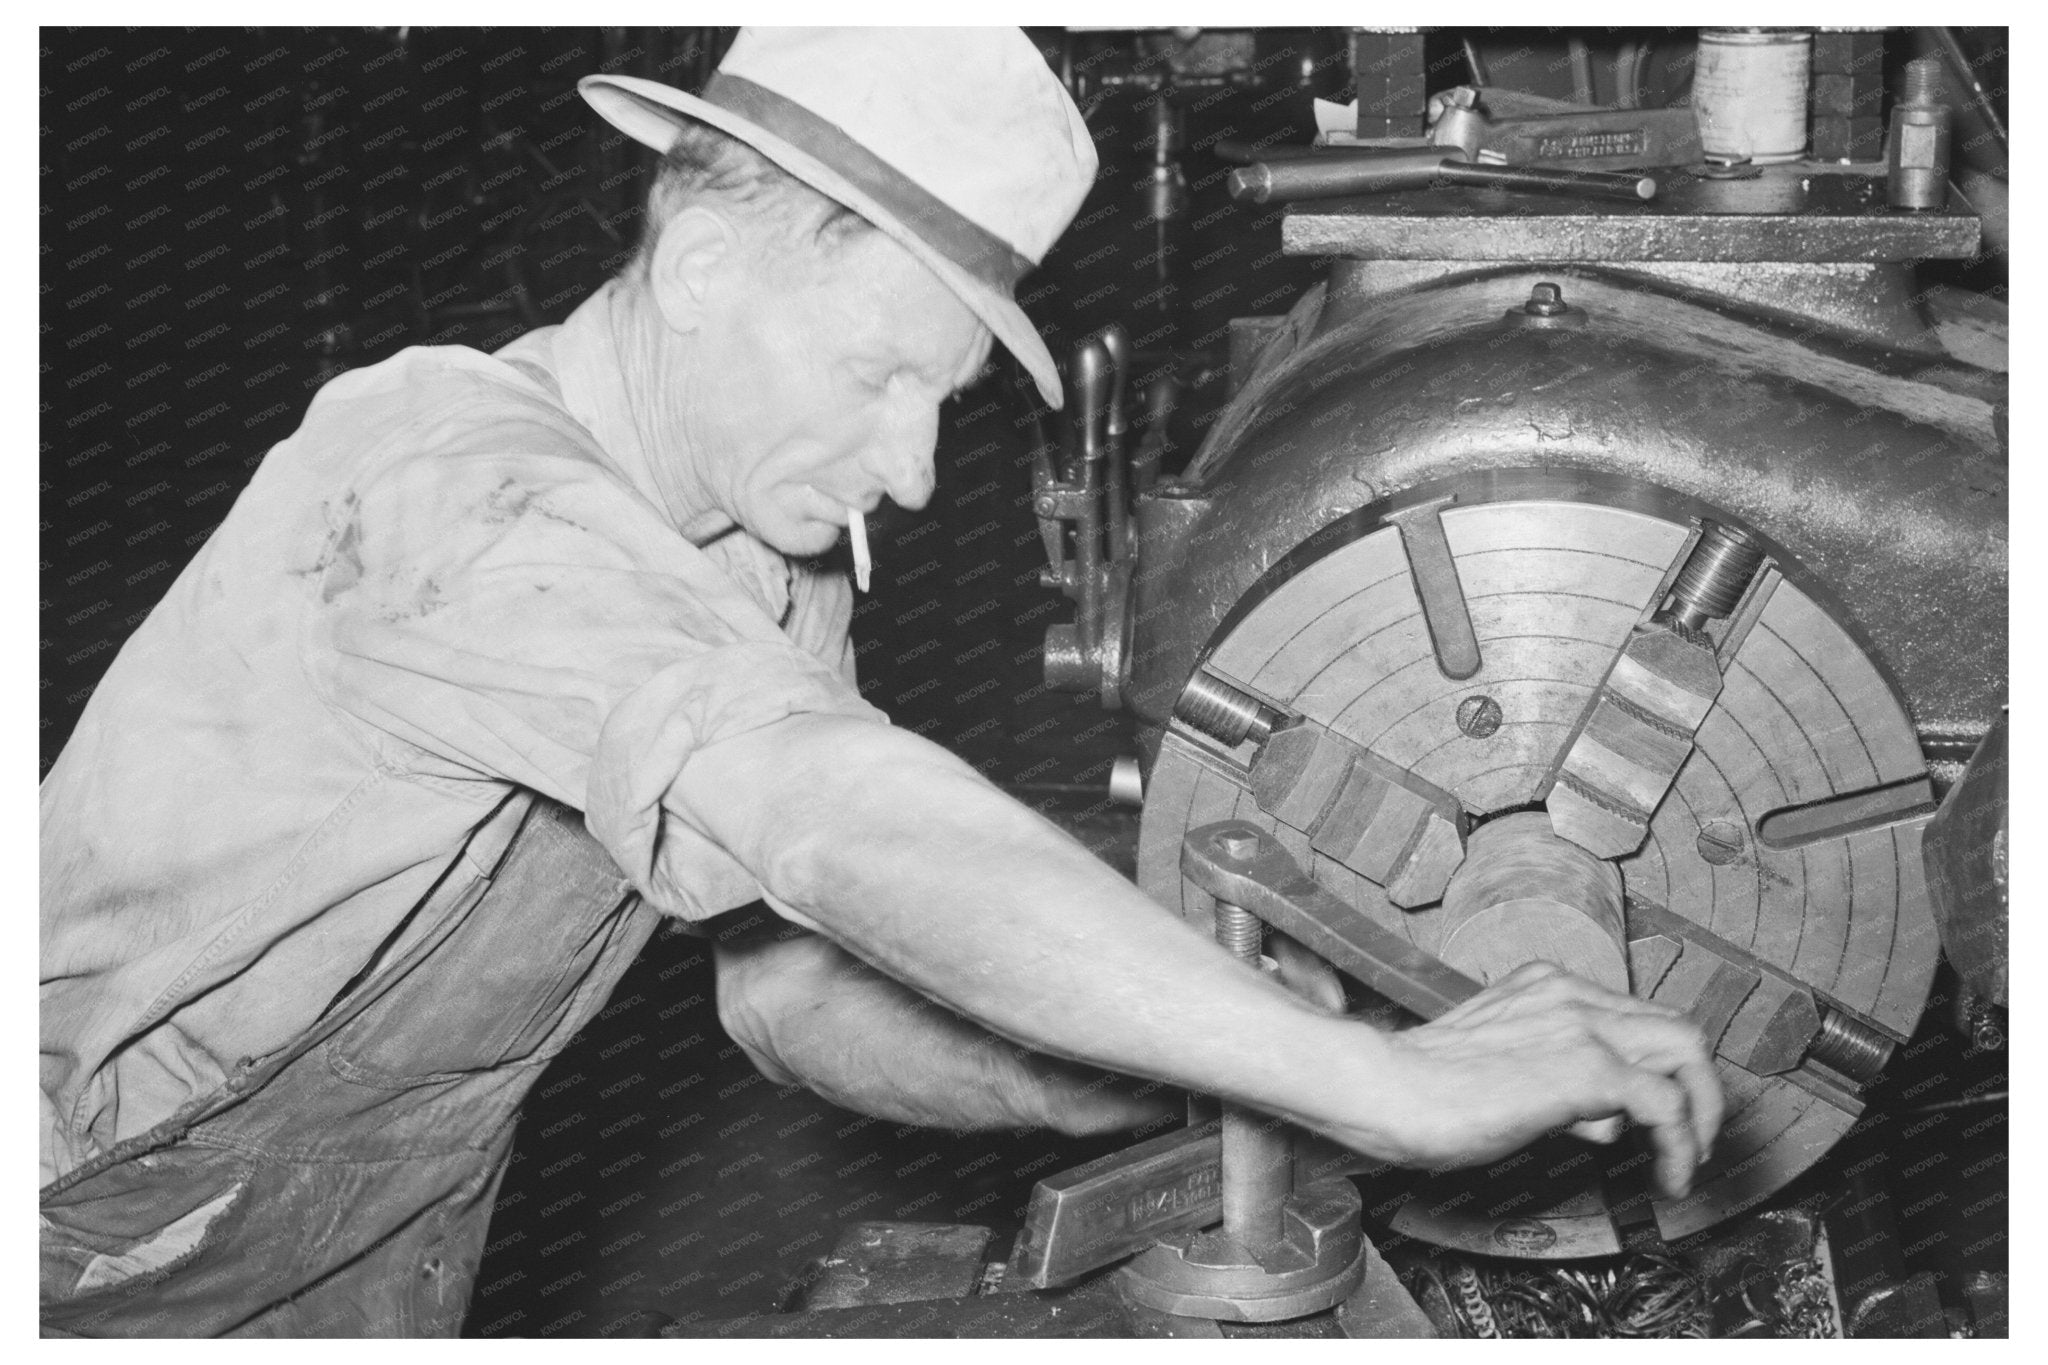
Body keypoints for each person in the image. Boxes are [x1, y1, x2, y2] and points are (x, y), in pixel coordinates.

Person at [40, 28, 1722, 1337]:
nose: (911, 470)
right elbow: (826, 818)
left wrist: (1133, 1062)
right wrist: (1387, 1083)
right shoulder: (447, 487)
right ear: (701, 265)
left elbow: (792, 986)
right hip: (84, 1236)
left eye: (941, 398)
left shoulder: (767, 555)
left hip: (389, 1232)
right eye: (875, 373)